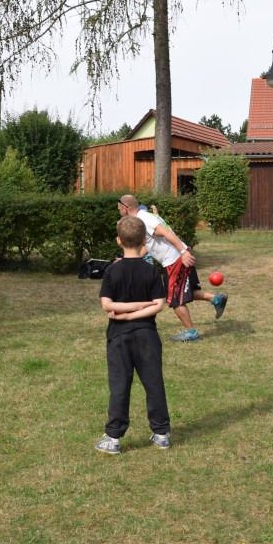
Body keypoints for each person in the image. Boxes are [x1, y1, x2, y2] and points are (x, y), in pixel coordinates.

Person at [95, 215, 171, 454]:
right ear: (144, 241)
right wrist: (140, 307)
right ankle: (161, 434)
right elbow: (157, 305)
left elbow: (108, 305)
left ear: (118, 240)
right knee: (153, 382)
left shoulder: (112, 271)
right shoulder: (151, 271)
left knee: (119, 385)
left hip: (119, 337)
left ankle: (113, 438)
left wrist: (126, 315)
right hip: (147, 336)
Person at [117, 194, 227, 342]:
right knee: (186, 291)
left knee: (174, 299)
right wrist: (128, 259)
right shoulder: (142, 219)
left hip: (175, 260)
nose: (118, 210)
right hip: (175, 258)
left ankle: (191, 332)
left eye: (119, 207)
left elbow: (166, 233)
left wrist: (183, 252)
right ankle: (216, 299)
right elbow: (148, 247)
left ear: (125, 207)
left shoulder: (144, 219)